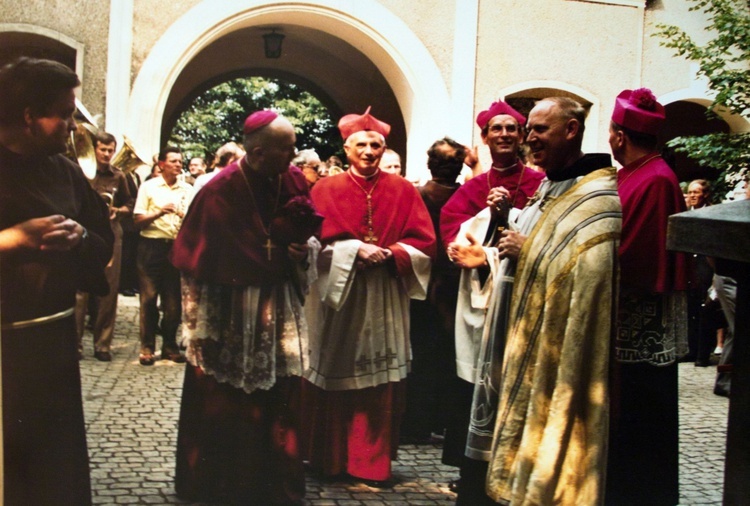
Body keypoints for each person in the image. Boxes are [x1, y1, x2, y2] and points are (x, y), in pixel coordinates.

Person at [449, 97, 621, 505]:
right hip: (516, 334)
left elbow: (591, 273)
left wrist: (529, 249)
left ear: (572, 130)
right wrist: (508, 220)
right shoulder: (552, 183)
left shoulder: (595, 197)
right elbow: (523, 241)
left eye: (540, 129)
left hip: (554, 351)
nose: (530, 138)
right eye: (531, 130)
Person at [171, 110, 318, 505]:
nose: (294, 155)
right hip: (230, 310)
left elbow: (309, 237)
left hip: (275, 305)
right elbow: (194, 264)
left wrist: (303, 251)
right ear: (256, 152)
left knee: (276, 394)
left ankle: (274, 483)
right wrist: (200, 323)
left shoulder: (291, 178)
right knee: (226, 397)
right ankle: (220, 486)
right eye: (285, 149)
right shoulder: (219, 190)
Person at [301, 107, 436, 484]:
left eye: (375, 144)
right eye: (360, 144)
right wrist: (351, 250)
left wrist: (392, 254)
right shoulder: (324, 189)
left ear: (384, 148)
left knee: (379, 376)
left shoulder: (404, 190)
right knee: (333, 368)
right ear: (346, 149)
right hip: (339, 294)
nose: (368, 151)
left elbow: (425, 242)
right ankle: (330, 457)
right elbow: (311, 242)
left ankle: (370, 462)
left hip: (384, 291)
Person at [0, 57, 113, 505]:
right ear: (29, 116)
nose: (72, 126)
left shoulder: (65, 171)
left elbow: (102, 240)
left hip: (52, 344)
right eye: (64, 114)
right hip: (3, 349)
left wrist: (81, 236)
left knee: (53, 469)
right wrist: (13, 240)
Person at [438, 100, 544, 476]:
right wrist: (464, 248)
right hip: (480, 305)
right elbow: (453, 231)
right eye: (496, 129)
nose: (504, 135)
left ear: (522, 137)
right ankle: (472, 466)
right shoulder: (472, 188)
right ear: (484, 138)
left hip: (524, 302)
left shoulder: (538, 183)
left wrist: (491, 245)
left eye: (511, 129)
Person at [605, 88, 690, 505]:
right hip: (623, 322)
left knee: (641, 424)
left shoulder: (655, 179)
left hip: (639, 327)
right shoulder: (632, 174)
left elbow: (632, 254)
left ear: (620, 136)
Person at [401, 137, 465, 443]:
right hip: (439, 283)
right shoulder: (418, 195)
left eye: (451, 162)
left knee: (429, 354)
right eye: (444, 162)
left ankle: (421, 422)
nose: (447, 167)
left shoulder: (418, 194)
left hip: (440, 283)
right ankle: (433, 421)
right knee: (441, 353)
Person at [74, 131, 134, 361]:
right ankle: (75, 344)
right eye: (103, 149)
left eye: (111, 150)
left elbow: (129, 203)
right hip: (85, 231)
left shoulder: (119, 176)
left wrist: (117, 211)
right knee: (80, 291)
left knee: (108, 289)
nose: (107, 154)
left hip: (111, 233)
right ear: (94, 149)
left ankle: (102, 345)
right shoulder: (80, 171)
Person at [133, 145, 195, 365]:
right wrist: (159, 212)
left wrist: (182, 215)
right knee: (149, 299)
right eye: (174, 161)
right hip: (151, 246)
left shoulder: (187, 190)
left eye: (180, 161)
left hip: (175, 247)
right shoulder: (149, 187)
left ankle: (169, 345)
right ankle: (147, 347)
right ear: (162, 164)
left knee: (173, 302)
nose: (179, 164)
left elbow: (193, 220)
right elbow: (137, 220)